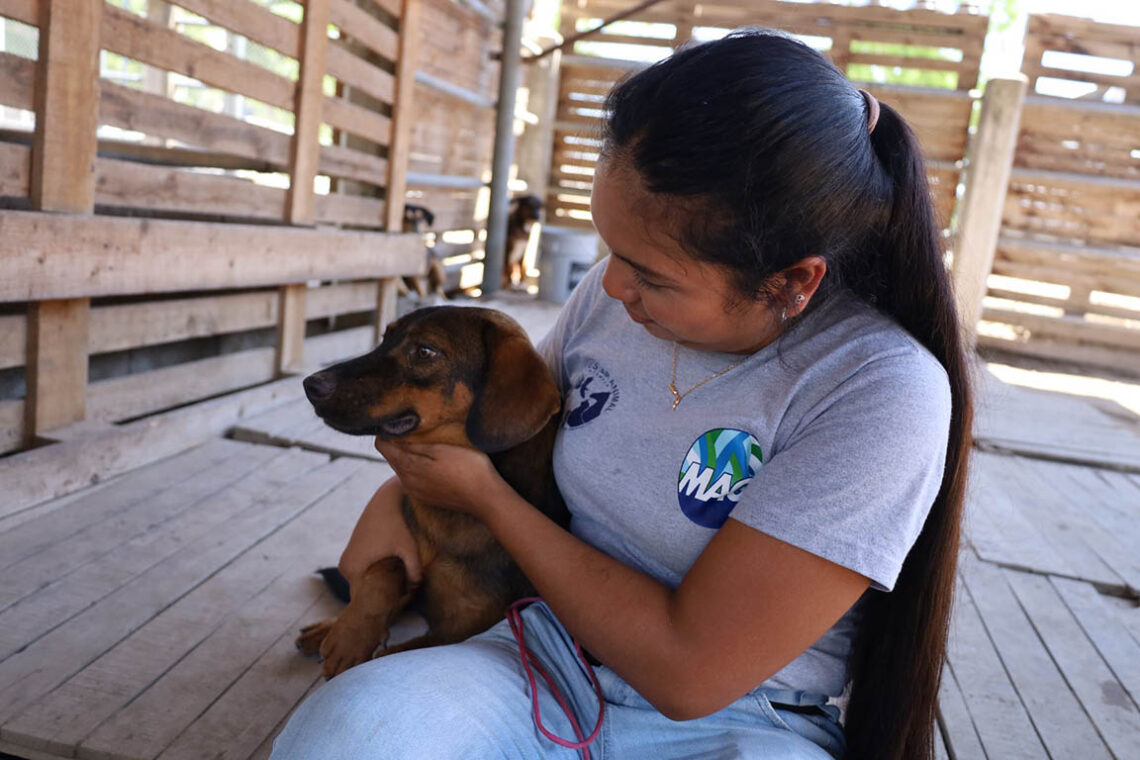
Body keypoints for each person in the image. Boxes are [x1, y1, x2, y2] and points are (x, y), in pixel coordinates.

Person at [272, 29, 971, 760]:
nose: (609, 285)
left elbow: (689, 672)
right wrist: (399, 503)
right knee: (352, 735)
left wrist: (489, 501)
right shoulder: (615, 302)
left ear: (793, 281)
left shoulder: (876, 388)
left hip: (742, 719)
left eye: (651, 274)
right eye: (611, 250)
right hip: (534, 653)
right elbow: (505, 429)